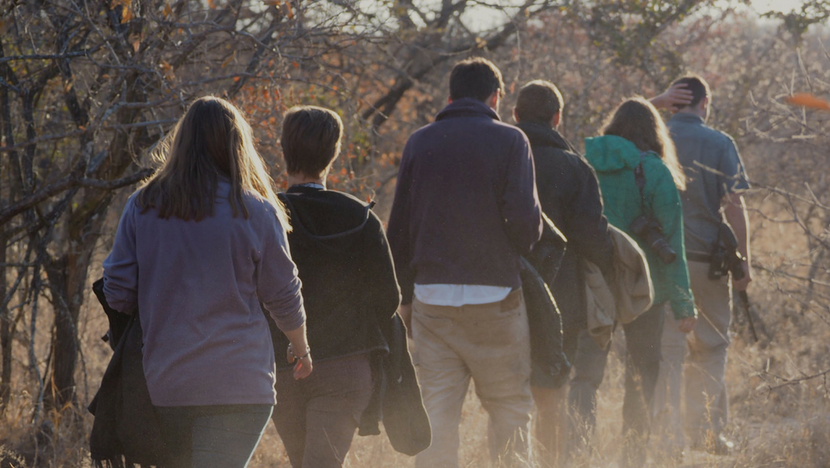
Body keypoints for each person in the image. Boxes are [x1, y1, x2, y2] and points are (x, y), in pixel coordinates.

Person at [102, 96, 311, 468]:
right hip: (240, 383)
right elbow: (283, 293)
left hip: (167, 383)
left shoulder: (142, 206)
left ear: (181, 142)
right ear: (237, 144)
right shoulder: (257, 211)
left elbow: (117, 291)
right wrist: (301, 348)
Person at [387, 57, 544, 468]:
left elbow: (398, 227)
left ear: (451, 96)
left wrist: (402, 297)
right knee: (509, 407)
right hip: (496, 296)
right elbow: (527, 225)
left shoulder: (419, 142)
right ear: (495, 97)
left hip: (431, 298)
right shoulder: (512, 141)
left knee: (436, 412)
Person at [268, 106, 402, 467]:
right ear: (335, 152)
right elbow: (389, 298)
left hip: (282, 366)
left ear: (284, 149)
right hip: (346, 369)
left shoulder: (266, 214)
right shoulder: (360, 216)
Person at [570, 98, 697, 468]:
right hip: (647, 288)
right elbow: (673, 243)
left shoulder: (585, 161)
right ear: (654, 133)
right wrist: (684, 304)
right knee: (642, 374)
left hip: (593, 281)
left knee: (584, 375)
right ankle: (633, 458)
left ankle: (577, 455)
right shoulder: (655, 171)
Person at [512, 81, 615, 467]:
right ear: (558, 118)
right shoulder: (575, 167)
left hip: (500, 294)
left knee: (507, 397)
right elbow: (594, 239)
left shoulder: (497, 158)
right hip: (561, 301)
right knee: (551, 393)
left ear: (516, 116)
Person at [661, 75, 752, 455]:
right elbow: (734, 204)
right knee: (711, 348)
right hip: (707, 260)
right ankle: (705, 433)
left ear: (670, 104)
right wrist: (744, 260)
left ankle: (669, 438)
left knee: (668, 350)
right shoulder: (719, 142)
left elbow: (611, 136)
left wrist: (653, 102)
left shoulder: (653, 137)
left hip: (661, 263)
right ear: (705, 102)